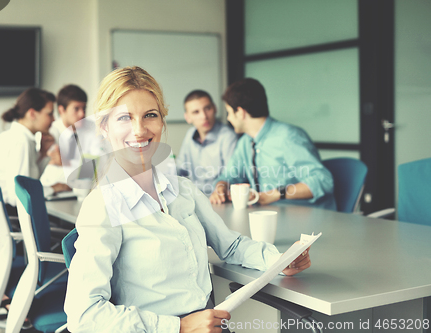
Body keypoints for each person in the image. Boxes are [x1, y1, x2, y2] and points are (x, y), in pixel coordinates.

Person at [64, 66, 312, 333]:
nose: (139, 130)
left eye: (150, 115)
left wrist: (279, 260)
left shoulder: (183, 189)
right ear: (103, 127)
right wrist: (179, 327)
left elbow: (231, 246)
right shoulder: (102, 205)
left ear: (162, 121)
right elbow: (84, 315)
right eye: (124, 118)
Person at [209, 78, 336, 211]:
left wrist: (274, 194)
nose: (228, 118)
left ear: (240, 112)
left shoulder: (288, 137)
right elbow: (229, 175)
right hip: (265, 214)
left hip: (306, 216)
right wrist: (221, 187)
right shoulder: (245, 142)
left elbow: (323, 180)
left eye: (229, 112)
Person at [0, 88, 71, 254]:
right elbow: (18, 196)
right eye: (50, 113)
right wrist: (53, 188)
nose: (53, 119)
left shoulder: (16, 137)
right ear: (32, 113)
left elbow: (27, 179)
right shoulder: (20, 142)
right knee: (69, 235)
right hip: (9, 230)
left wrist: (43, 155)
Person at [40, 84, 111, 187]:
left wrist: (65, 164)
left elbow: (97, 167)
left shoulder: (94, 129)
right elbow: (46, 177)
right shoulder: (50, 133)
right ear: (61, 110)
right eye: (76, 109)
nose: (82, 114)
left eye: (84, 108)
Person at [176, 90, 238, 195]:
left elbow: (231, 175)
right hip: (194, 196)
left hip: (218, 197)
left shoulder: (228, 136)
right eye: (196, 112)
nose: (204, 116)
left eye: (207, 108)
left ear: (215, 108)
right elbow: (180, 168)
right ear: (188, 117)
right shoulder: (190, 134)